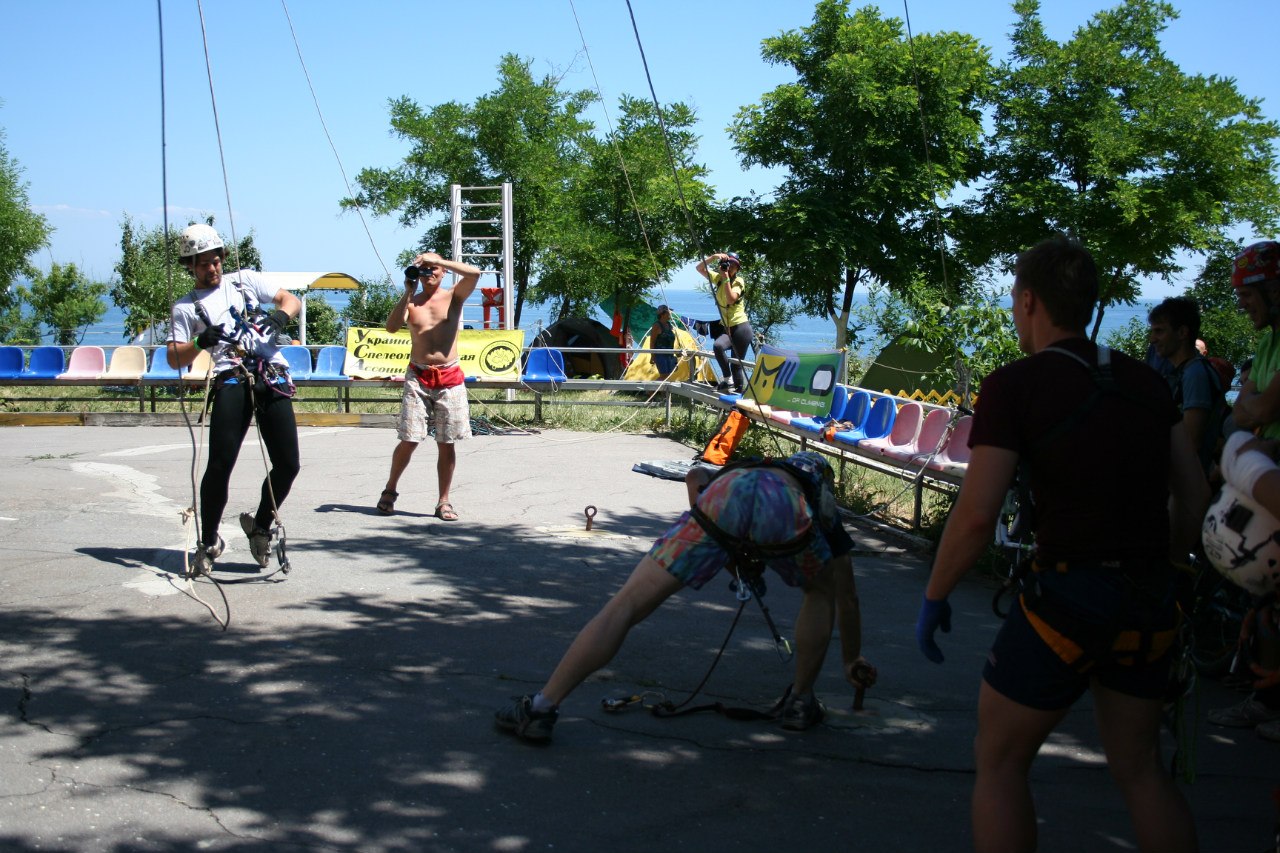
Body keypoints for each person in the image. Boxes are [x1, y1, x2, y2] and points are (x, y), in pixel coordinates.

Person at [915, 236, 1207, 853]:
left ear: (1028, 301)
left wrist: (936, 594)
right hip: (1149, 600)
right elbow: (1193, 497)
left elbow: (975, 514)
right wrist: (1173, 570)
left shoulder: (1015, 386)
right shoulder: (1146, 384)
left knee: (999, 762)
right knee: (1141, 768)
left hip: (1067, 599)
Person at [494, 451, 876, 743]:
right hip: (784, 512)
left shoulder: (750, 466)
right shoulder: (816, 495)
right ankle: (800, 701)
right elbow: (849, 596)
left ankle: (542, 707)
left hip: (722, 500)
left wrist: (729, 553)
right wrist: (851, 658)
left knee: (625, 605)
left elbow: (696, 477)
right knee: (820, 594)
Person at [167, 223, 303, 576]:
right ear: (190, 267)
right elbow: (173, 358)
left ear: (222, 258)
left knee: (288, 464)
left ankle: (259, 526)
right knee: (219, 465)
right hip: (231, 378)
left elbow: (292, 300)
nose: (212, 269)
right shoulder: (185, 308)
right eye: (202, 264)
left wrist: (278, 315)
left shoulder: (245, 281)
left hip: (270, 373)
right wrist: (199, 342)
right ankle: (209, 540)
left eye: (215, 261)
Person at [376, 251, 480, 522]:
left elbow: (475, 273)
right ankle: (390, 490)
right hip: (418, 376)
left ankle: (443, 501)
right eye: (425, 270)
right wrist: (407, 293)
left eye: (435, 269)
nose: (430, 273)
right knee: (409, 438)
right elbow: (390, 327)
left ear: (444, 271)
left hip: (450, 377)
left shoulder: (454, 296)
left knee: (447, 442)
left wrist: (438, 261)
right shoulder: (413, 303)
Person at [1148, 296, 1226, 477]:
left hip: (1188, 479)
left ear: (1182, 332)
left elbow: (1192, 439)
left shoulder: (1195, 374)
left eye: (1159, 331)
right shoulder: (1185, 372)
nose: (1153, 339)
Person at [1231, 241, 1280, 442]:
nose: (1242, 304)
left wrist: (1255, 401)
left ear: (1274, 291)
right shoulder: (1267, 344)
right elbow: (1238, 414)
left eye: (1247, 295)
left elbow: (1264, 410)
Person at [696, 251, 753, 393]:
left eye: (734, 265)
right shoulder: (718, 279)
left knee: (736, 364)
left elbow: (730, 299)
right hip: (727, 327)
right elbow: (699, 268)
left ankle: (738, 395)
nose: (730, 267)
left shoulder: (738, 281)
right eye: (728, 264)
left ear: (738, 268)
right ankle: (727, 380)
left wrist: (727, 278)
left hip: (741, 327)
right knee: (718, 346)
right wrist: (714, 257)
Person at [646, 304, 678, 376]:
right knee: (664, 376)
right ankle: (652, 387)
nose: (670, 314)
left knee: (668, 375)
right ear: (662, 314)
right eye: (668, 312)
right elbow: (652, 342)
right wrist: (652, 355)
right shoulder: (657, 326)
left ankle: (660, 387)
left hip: (670, 354)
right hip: (660, 354)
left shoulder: (669, 325)